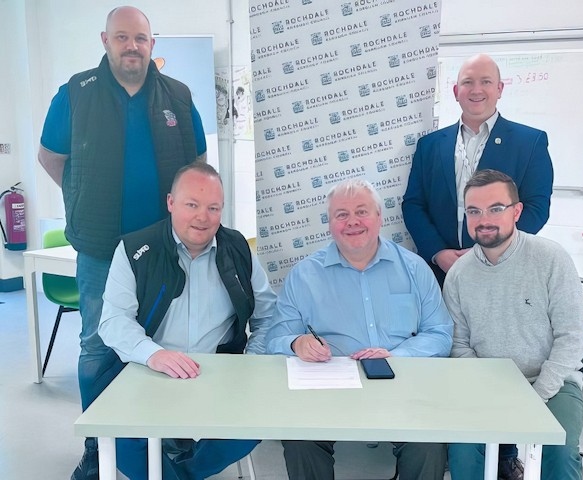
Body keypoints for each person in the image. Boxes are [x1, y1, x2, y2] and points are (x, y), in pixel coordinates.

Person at [37, 6, 207, 479]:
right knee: (97, 344)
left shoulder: (178, 93)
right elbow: (52, 157)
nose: (132, 46)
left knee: (164, 339)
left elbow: (197, 161)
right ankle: (99, 443)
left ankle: (165, 433)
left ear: (153, 44)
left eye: (141, 38)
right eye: (122, 37)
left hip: (162, 247)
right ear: (105, 40)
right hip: (98, 246)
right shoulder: (76, 93)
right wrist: (83, 196)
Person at [98, 163, 277, 479]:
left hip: (221, 374)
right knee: (119, 440)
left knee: (258, 422)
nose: (202, 217)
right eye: (191, 205)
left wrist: (251, 363)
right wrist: (153, 354)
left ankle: (181, 473)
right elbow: (113, 320)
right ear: (170, 203)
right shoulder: (134, 249)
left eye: (213, 208)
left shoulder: (239, 250)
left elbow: (268, 317)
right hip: (148, 371)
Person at [266, 178, 453, 480]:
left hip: (402, 384)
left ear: (380, 217)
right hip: (327, 390)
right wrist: (296, 343)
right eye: (341, 214)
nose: (352, 221)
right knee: (300, 439)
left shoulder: (415, 269)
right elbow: (274, 338)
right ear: (330, 223)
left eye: (362, 212)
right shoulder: (304, 275)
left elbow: (440, 334)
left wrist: (397, 355)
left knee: (429, 442)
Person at [442, 169, 583, 480]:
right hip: (486, 386)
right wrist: (491, 391)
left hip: (554, 383)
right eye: (473, 211)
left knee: (559, 453)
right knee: (463, 452)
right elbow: (458, 343)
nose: (484, 219)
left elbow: (573, 336)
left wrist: (536, 395)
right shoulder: (458, 274)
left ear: (517, 211)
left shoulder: (551, 258)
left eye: (496, 208)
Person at [402, 53, 554, 287]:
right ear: (455, 91)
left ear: (500, 89)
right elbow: (414, 204)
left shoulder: (530, 142)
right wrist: (438, 252)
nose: (476, 90)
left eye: (486, 81)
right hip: (440, 272)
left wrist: (485, 253)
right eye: (468, 82)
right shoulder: (430, 145)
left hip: (501, 271)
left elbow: (536, 208)